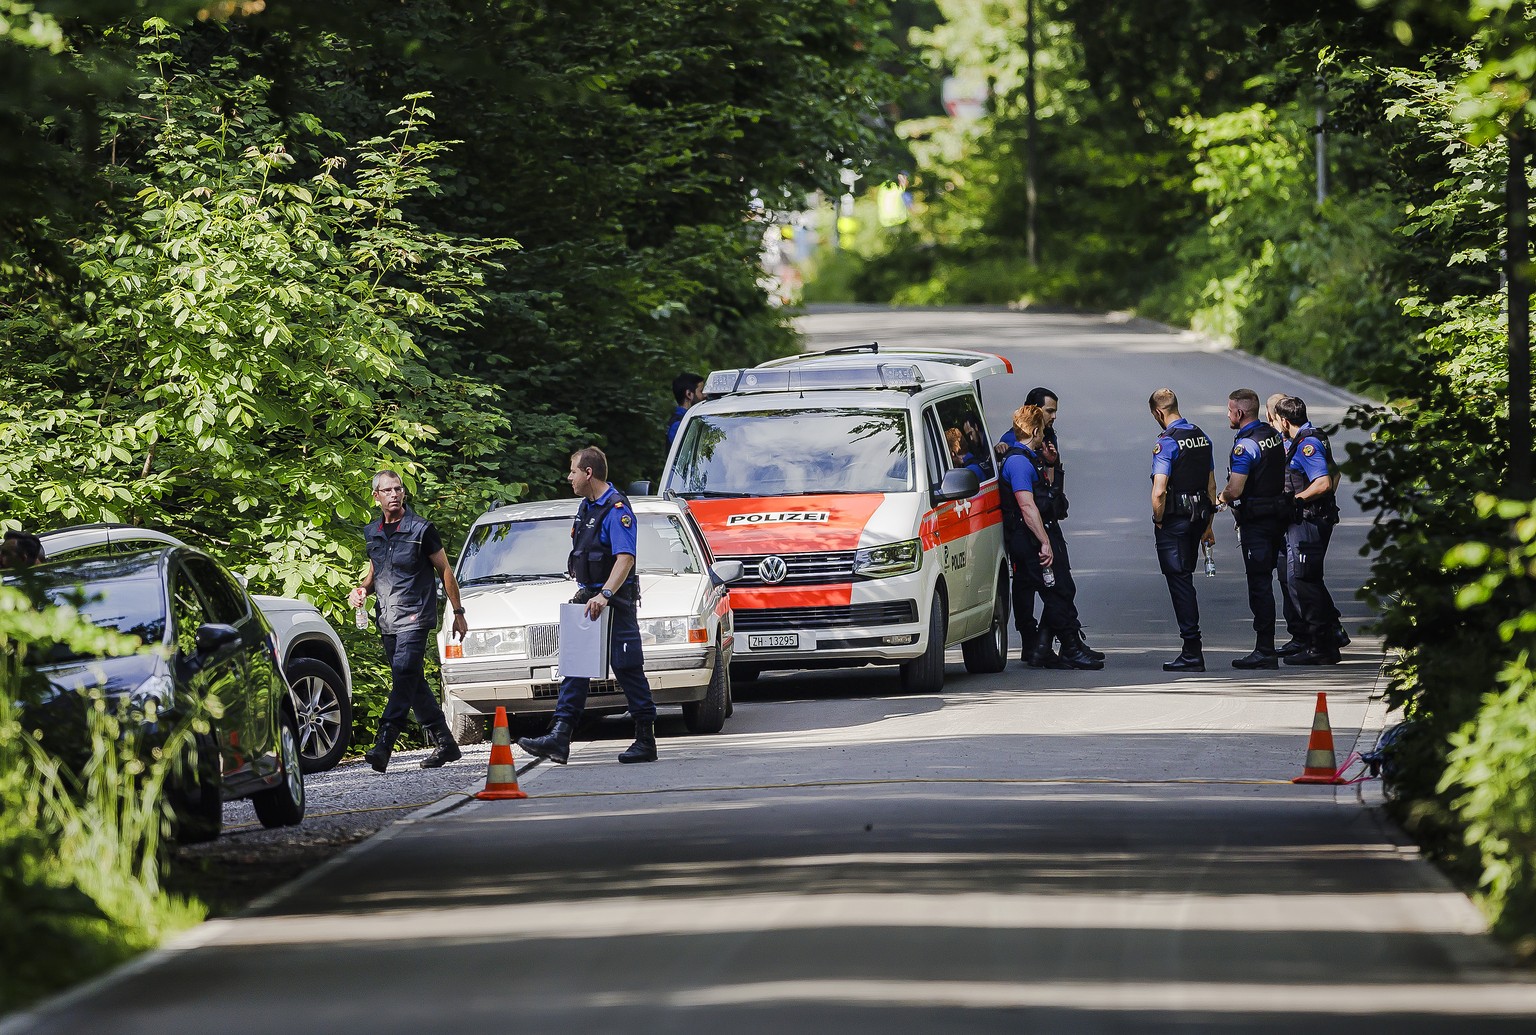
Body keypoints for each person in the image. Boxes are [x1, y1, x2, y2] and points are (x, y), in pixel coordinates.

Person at [518, 446, 659, 765]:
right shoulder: (586, 507)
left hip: (614, 600)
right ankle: (560, 738)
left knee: (627, 667)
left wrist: (605, 595)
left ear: (588, 473)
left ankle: (645, 739)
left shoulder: (616, 509)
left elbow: (625, 560)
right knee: (575, 667)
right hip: (588, 599)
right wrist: (588, 594)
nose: (569, 477)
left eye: (573, 471)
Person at [348, 470, 468, 772]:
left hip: (415, 616)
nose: (394, 494)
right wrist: (361, 589)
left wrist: (458, 612)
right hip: (387, 617)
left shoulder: (421, 529)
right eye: (387, 490)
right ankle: (446, 744)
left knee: (403, 676)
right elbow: (377, 572)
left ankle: (383, 744)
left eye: (398, 489)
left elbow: (445, 571)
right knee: (412, 682)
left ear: (404, 493)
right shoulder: (372, 532)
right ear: (376, 496)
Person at [998, 404, 1102, 670]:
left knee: (1061, 589)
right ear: (1034, 430)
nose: (1045, 436)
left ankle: (1045, 649)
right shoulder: (1019, 462)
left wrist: (1052, 464)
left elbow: (1048, 499)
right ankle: (1067, 648)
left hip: (1038, 534)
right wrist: (1044, 542)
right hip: (1030, 539)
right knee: (1056, 593)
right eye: (1042, 432)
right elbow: (1027, 505)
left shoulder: (1029, 457)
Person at [1216, 389, 1290, 670]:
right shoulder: (1271, 435)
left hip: (1257, 523)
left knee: (1259, 585)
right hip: (1277, 516)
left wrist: (1220, 499)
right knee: (1275, 580)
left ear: (1239, 413)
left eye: (1229, 409)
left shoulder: (1245, 446)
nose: (1227, 414)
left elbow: (1235, 489)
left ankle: (1264, 649)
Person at [1148, 389, 1216, 672]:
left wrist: (1158, 519)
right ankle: (1191, 648)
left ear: (1158, 413)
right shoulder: (1202, 436)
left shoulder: (1167, 443)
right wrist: (1208, 526)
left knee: (1180, 583)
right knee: (1185, 578)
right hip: (1199, 517)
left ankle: (1192, 650)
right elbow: (1212, 486)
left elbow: (1160, 490)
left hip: (1174, 521)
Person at [1273, 395, 1344, 665]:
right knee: (1303, 579)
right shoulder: (1313, 437)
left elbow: (1325, 482)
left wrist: (1297, 500)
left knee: (1305, 581)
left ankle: (1322, 646)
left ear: (1284, 420)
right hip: (1310, 520)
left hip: (1308, 522)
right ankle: (1324, 638)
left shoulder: (1307, 445)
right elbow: (1335, 474)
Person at [666, 372, 705, 447]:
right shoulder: (679, 425)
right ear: (689, 394)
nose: (705, 395)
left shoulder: (683, 419)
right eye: (701, 391)